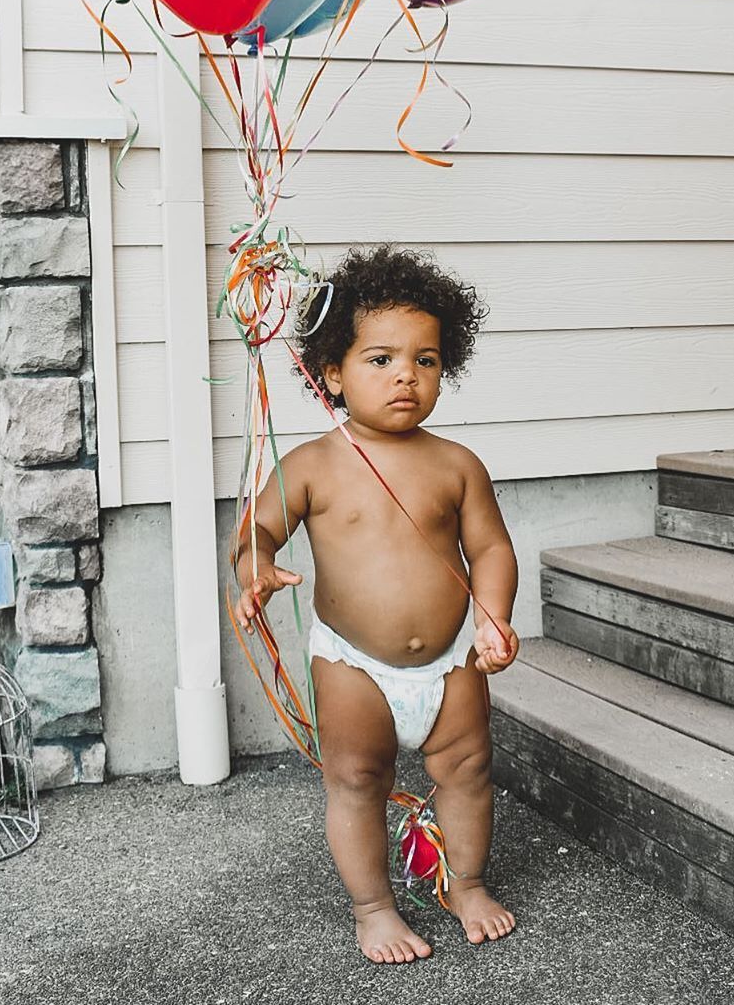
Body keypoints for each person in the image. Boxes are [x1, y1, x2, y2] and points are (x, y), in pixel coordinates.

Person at [233, 245, 520, 965]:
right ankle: (373, 907)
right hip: (352, 663)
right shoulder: (311, 465)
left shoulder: (456, 465)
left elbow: (490, 550)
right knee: (358, 779)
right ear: (331, 370)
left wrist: (491, 614)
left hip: (453, 659)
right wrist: (258, 568)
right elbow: (258, 531)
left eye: (426, 360)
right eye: (381, 359)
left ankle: (466, 882)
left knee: (467, 769)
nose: (406, 376)